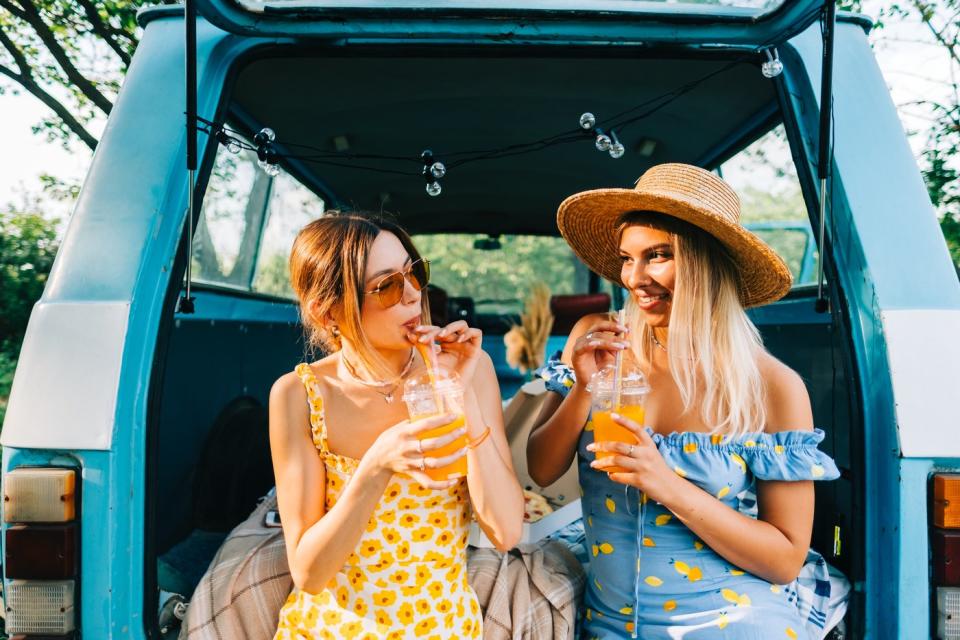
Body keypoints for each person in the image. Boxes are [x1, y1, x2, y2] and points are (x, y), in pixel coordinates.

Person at [526, 163, 841, 639]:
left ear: (706, 263)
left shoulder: (771, 386)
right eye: (626, 258)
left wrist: (664, 482)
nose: (634, 277)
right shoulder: (598, 337)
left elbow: (783, 559)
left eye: (657, 256)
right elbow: (541, 470)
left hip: (733, 615)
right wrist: (583, 389)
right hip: (612, 616)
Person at [270, 212, 523, 639]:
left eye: (414, 273)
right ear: (328, 310)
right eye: (386, 286)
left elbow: (506, 531)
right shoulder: (299, 393)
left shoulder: (470, 367)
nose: (412, 295)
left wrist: (461, 394)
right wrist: (375, 467)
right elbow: (309, 574)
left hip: (442, 626)